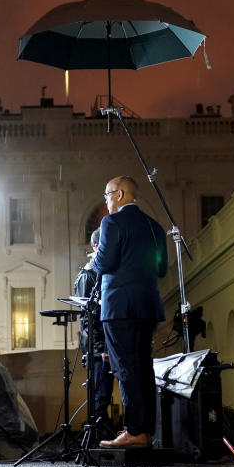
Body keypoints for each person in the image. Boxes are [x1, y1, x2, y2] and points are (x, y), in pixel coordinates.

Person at [92, 176, 168, 449]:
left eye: (107, 194)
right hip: (148, 306)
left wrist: (97, 256)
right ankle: (146, 431)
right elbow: (161, 269)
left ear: (120, 194)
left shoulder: (111, 223)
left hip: (119, 307)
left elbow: (104, 264)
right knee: (144, 367)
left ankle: (134, 431)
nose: (106, 200)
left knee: (125, 367)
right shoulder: (155, 227)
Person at [74, 228, 114, 424]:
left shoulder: (101, 273)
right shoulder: (87, 276)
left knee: (105, 394)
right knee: (101, 395)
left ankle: (101, 433)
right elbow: (89, 317)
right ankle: (96, 437)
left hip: (105, 345)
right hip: (98, 348)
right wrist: (100, 349)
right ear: (98, 246)